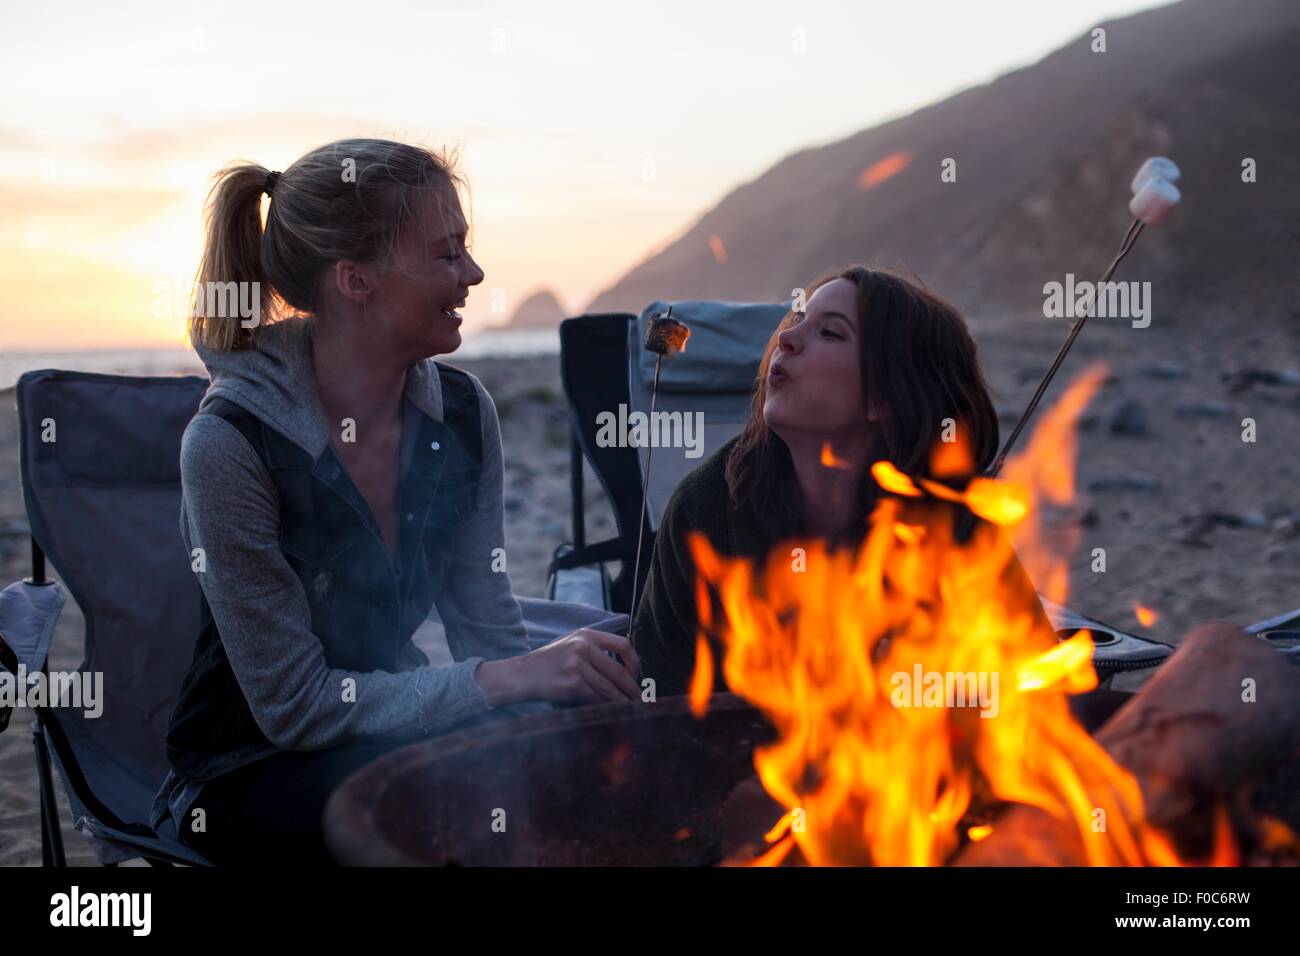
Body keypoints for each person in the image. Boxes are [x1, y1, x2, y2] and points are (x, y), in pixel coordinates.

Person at [150, 138, 640, 864]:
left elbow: (489, 630)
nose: (473, 274)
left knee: (586, 774)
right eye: (446, 256)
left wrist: (547, 713)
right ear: (355, 281)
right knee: (445, 816)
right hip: (249, 770)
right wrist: (505, 682)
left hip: (399, 730)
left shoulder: (464, 416)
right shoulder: (232, 444)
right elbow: (296, 707)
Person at [633, 265, 1053, 697]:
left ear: (885, 396)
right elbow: (654, 701)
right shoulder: (705, 511)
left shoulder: (948, 526)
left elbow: (1036, 693)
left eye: (830, 333)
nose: (786, 339)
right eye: (796, 320)